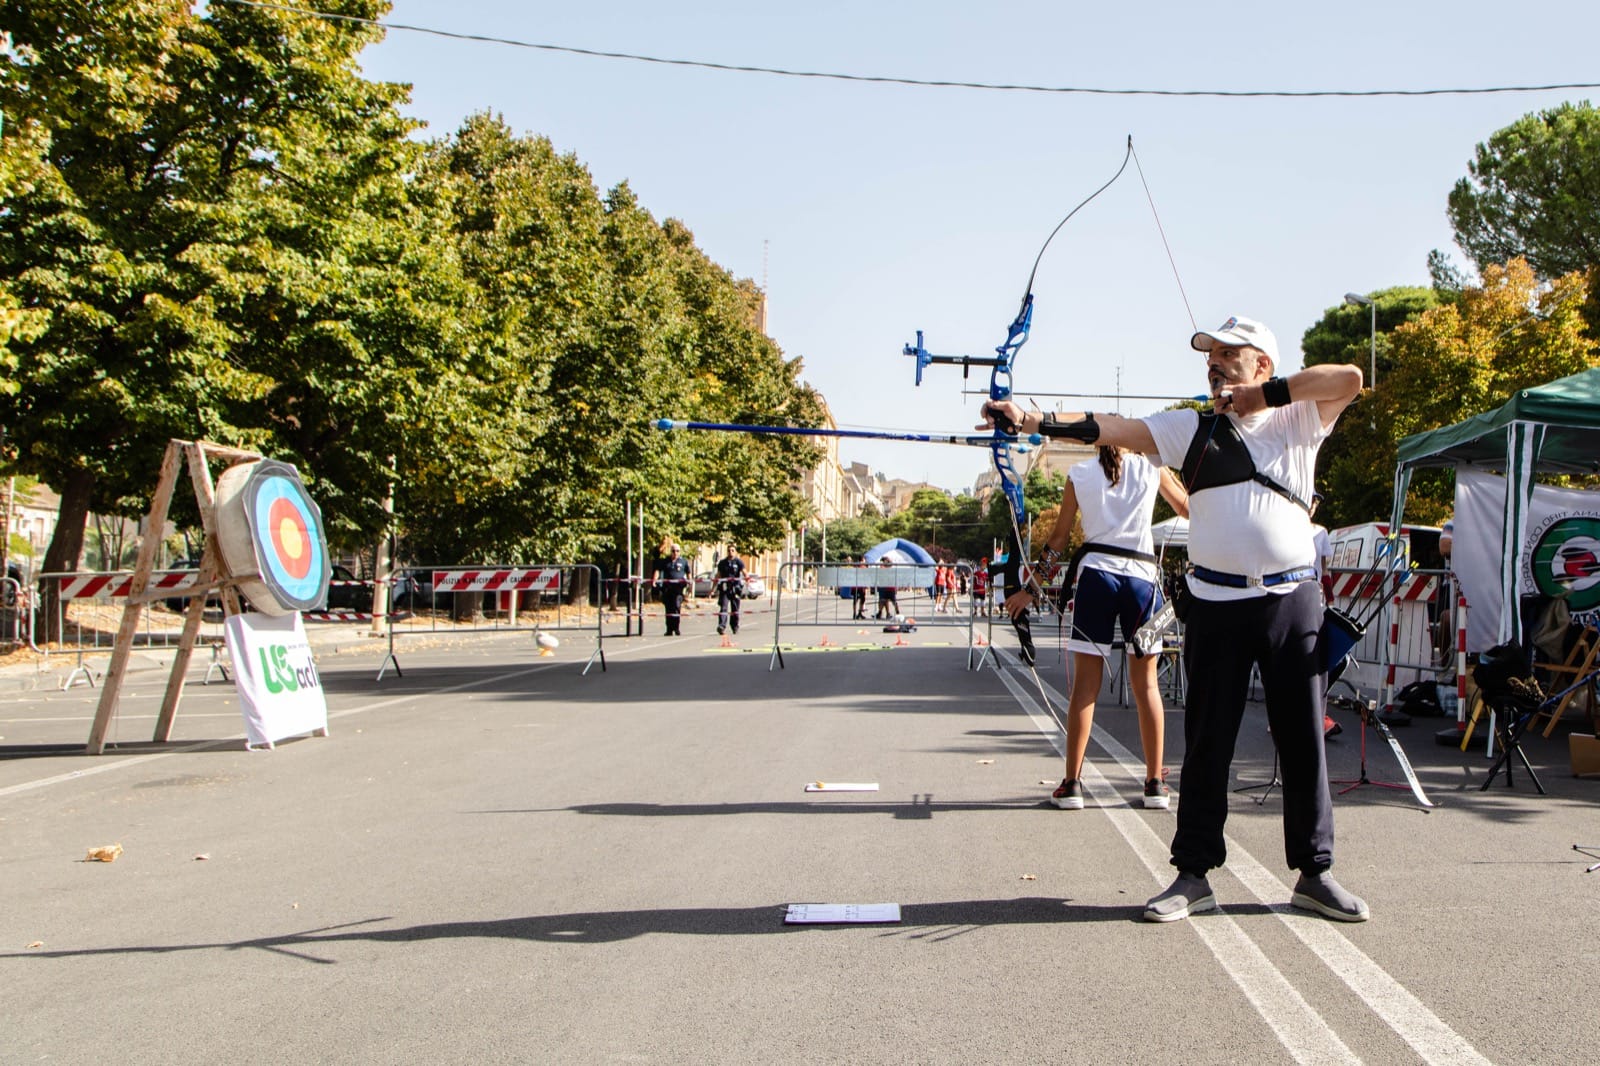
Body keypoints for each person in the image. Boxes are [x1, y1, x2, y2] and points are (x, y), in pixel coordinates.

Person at [983, 314, 1370, 924]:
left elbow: (1348, 376)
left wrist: (1262, 397)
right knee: (1208, 740)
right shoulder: (1189, 427)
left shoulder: (1300, 416)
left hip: (1290, 598)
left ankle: (1314, 873)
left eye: (1227, 355)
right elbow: (1112, 427)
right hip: (1215, 602)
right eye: (1208, 356)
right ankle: (1193, 874)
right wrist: (1032, 421)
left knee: (1302, 738)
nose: (1213, 363)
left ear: (1262, 363)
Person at [1006, 445, 1189, 810]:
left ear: (1096, 441)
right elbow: (1190, 508)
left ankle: (1072, 783)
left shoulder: (1079, 474)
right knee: (1147, 684)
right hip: (1143, 582)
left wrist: (1030, 590)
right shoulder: (1153, 466)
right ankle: (1154, 783)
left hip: (1096, 579)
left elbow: (1058, 540)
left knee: (1085, 688)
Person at [1309, 493, 1342, 738]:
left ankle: (1318, 714)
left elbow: (1325, 568)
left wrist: (1330, 600)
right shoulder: (1287, 525)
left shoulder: (1320, 532)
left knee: (1319, 659)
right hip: (1292, 595)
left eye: (1315, 504)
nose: (1311, 507)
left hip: (1315, 599)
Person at [653, 543, 692, 636]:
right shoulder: (666, 561)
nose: (675, 553)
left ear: (680, 552)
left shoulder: (683, 561)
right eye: (673, 551)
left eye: (677, 551)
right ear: (671, 552)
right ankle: (669, 629)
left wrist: (690, 583)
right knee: (669, 609)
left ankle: (676, 627)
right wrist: (654, 580)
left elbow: (688, 573)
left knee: (677, 607)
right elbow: (658, 570)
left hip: (678, 589)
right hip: (667, 589)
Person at [714, 546, 747, 636]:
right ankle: (721, 626)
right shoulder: (722, 563)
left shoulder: (738, 562)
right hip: (725, 588)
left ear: (735, 552)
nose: (730, 552)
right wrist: (713, 588)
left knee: (735, 609)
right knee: (723, 608)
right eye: (729, 550)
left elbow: (744, 572)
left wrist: (748, 580)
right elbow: (718, 575)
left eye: (732, 550)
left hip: (735, 588)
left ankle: (735, 626)